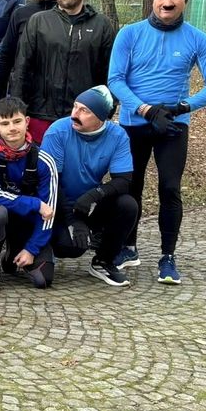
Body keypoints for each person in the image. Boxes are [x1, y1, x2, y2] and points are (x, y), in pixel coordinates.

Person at [108, 0, 206, 283]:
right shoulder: (130, 34)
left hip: (173, 126)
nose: (168, 1)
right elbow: (115, 80)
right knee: (129, 188)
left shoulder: (197, 38)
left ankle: (168, 256)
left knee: (170, 188)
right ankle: (128, 247)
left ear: (185, 1)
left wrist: (182, 107)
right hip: (135, 123)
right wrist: (145, 109)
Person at [40, 86, 137, 287]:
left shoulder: (117, 135)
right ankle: (43, 245)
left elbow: (123, 181)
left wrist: (94, 195)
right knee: (69, 247)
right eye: (75, 107)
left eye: (84, 110)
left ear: (101, 118)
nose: (74, 114)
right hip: (55, 204)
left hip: (87, 204)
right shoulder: (58, 130)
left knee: (128, 205)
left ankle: (104, 260)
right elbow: (50, 182)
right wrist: (74, 221)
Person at [10, 0, 115, 142]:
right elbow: (22, 66)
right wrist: (17, 108)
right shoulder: (39, 21)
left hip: (83, 114)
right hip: (40, 113)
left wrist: (106, 108)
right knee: (41, 166)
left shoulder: (101, 25)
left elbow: (109, 70)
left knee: (77, 167)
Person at [0, 96, 58, 292]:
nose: (12, 128)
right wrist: (35, 204)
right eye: (5, 123)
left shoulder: (44, 160)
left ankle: (15, 250)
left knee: (43, 280)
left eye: (17, 121)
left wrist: (31, 249)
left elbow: (49, 211)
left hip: (26, 223)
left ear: (27, 122)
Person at [0, 0, 59, 98]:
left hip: (56, 92)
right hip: (22, 91)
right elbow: (6, 56)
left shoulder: (64, 14)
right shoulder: (21, 14)